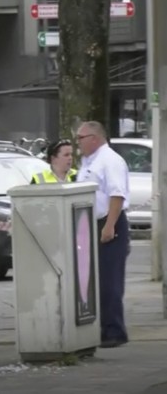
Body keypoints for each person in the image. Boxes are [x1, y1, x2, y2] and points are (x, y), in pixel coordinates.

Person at [75, 120, 130, 348]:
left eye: (81, 138)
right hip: (90, 223)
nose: (78, 142)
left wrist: (110, 225)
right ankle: (102, 328)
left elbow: (117, 195)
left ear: (94, 138)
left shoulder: (110, 160)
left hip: (109, 222)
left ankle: (114, 331)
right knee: (93, 281)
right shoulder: (88, 161)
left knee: (110, 280)